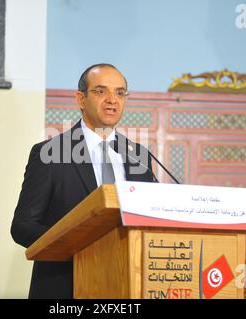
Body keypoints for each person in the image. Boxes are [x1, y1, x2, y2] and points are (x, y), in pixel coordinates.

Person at [10, 63, 155, 299]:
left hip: (128, 287)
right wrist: (76, 244)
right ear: (80, 99)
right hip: (65, 288)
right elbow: (22, 227)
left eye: (120, 93)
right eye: (101, 91)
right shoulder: (50, 153)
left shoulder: (139, 156)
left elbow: (152, 217)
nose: (112, 100)